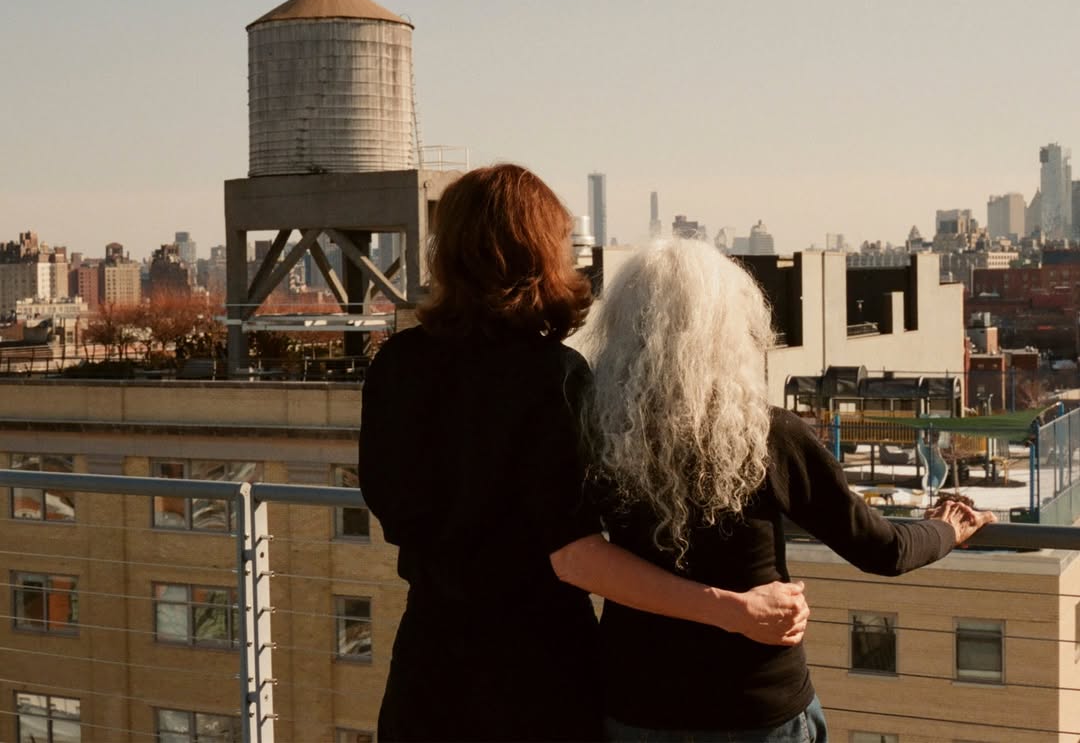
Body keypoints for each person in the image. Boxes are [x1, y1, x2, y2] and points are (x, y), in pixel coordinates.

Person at [358, 165, 810, 743]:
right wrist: (735, 608)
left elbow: (394, 508)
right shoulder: (555, 377)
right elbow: (575, 554)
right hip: (537, 675)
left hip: (427, 670)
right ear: (541, 254)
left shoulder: (397, 363)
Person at [571, 239, 995, 743]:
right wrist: (947, 527)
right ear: (729, 334)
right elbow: (883, 549)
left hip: (637, 705)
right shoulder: (768, 436)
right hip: (756, 707)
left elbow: (576, 552)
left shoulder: (594, 436)